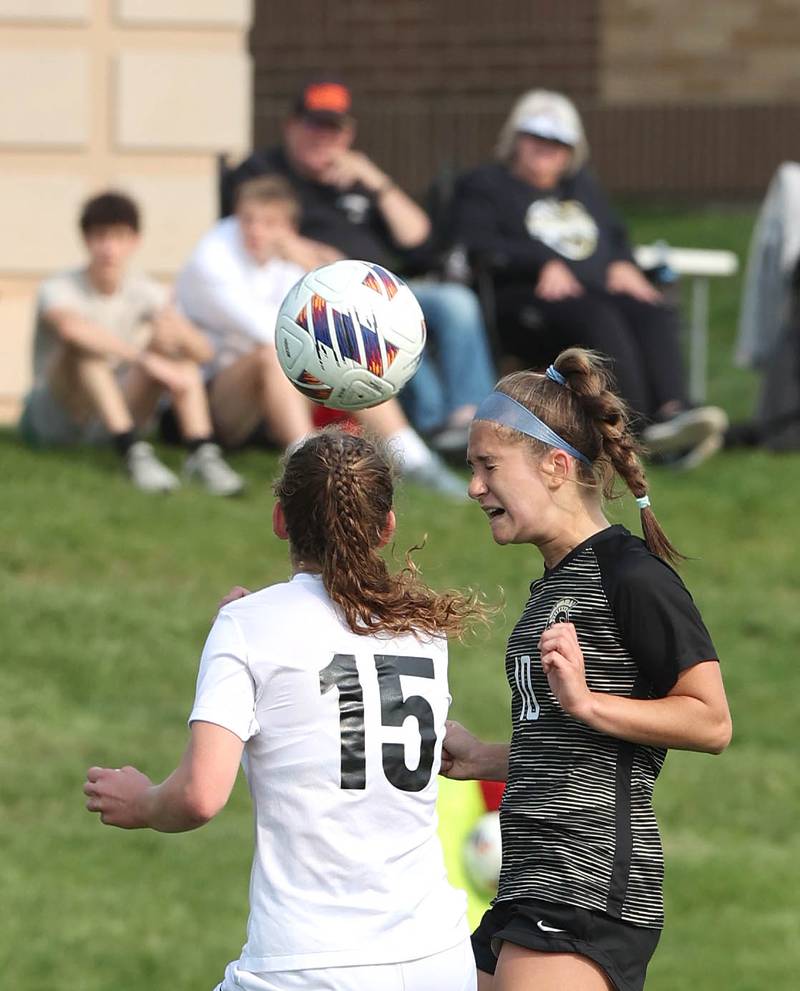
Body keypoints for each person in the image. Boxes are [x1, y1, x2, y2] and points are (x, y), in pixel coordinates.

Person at [83, 428, 483, 991]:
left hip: (308, 967)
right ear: (387, 527)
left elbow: (200, 796)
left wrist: (144, 802)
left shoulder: (249, 626)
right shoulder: (423, 631)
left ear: (279, 520)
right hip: (438, 959)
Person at [441, 348, 732, 991]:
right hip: (527, 881)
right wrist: (484, 758)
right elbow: (577, 753)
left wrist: (589, 703)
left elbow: (712, 721)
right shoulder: (553, 585)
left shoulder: (632, 576)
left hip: (587, 885)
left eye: (489, 467)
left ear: (555, 466)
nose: (474, 487)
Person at [449, 88, 729, 470]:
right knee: (598, 316)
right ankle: (637, 427)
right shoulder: (486, 185)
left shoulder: (582, 188)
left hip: (592, 291)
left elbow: (613, 238)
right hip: (524, 299)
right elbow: (475, 244)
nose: (547, 147)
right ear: (515, 139)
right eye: (536, 136)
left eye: (558, 141)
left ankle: (672, 411)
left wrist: (622, 264)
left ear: (572, 150)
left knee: (649, 307)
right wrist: (540, 263)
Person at [222, 77, 496, 451]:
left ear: (348, 135)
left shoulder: (357, 178)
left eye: (333, 129)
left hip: (388, 283)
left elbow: (418, 237)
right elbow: (259, 231)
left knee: (455, 302)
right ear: (291, 127)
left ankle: (468, 419)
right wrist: (323, 259)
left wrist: (375, 180)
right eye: (313, 126)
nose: (323, 138)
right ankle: (432, 427)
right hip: (327, 297)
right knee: (384, 327)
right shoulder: (264, 172)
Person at [177, 174, 466, 498]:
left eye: (270, 223)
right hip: (219, 401)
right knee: (274, 353)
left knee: (357, 363)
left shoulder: (291, 256)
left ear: (290, 228)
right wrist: (311, 268)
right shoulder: (213, 259)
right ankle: (313, 469)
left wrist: (310, 262)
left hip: (283, 396)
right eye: (248, 220)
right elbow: (275, 332)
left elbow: (350, 293)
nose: (256, 232)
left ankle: (417, 462)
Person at [19, 191, 243, 495]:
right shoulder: (58, 287)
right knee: (86, 352)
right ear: (86, 240)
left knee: (174, 355)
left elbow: (204, 352)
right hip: (57, 417)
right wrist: (143, 358)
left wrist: (177, 338)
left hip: (111, 412)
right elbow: (72, 330)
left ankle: (202, 454)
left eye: (119, 237)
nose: (110, 249)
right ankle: (132, 453)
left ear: (134, 241)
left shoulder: (146, 290)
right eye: (100, 237)